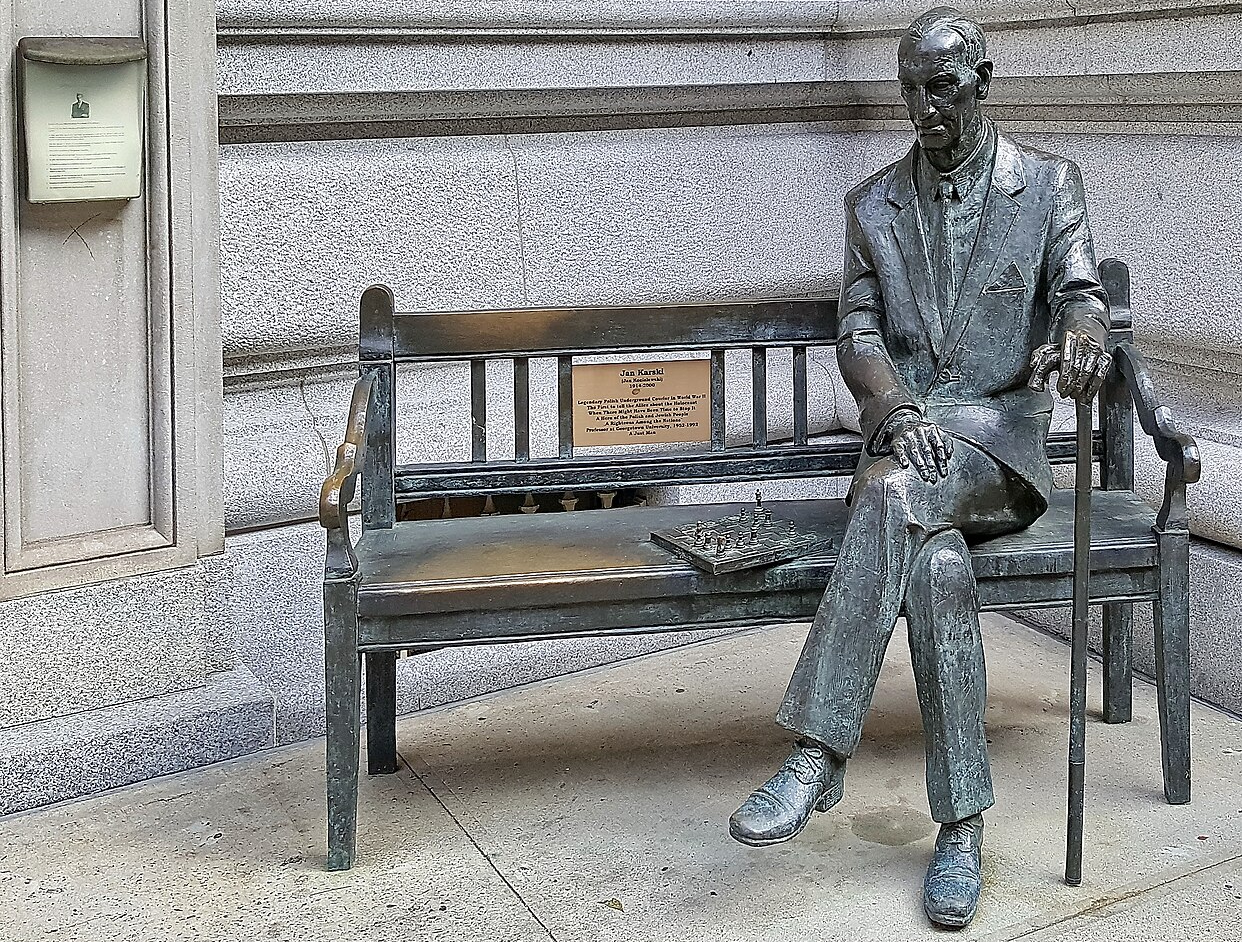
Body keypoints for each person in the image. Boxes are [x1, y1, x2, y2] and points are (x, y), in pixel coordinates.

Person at [729, 6, 1111, 930]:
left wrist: (1083, 338)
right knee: (936, 571)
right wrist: (896, 412)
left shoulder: (1050, 185)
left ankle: (819, 750)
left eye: (940, 87)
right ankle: (963, 830)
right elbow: (857, 334)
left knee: (897, 496)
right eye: (908, 88)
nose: (922, 108)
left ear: (983, 80)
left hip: (996, 451)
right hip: (906, 446)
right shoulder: (871, 206)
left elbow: (1078, 293)